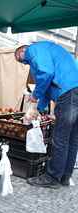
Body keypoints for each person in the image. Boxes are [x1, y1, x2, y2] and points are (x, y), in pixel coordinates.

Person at [15, 41, 78, 189]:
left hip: (68, 92)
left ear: (23, 50)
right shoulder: (49, 52)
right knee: (72, 139)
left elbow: (46, 73)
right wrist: (38, 108)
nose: (23, 62)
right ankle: (64, 177)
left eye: (20, 58)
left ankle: (52, 177)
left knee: (60, 138)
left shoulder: (34, 49)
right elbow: (48, 86)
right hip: (74, 90)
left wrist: (35, 95)